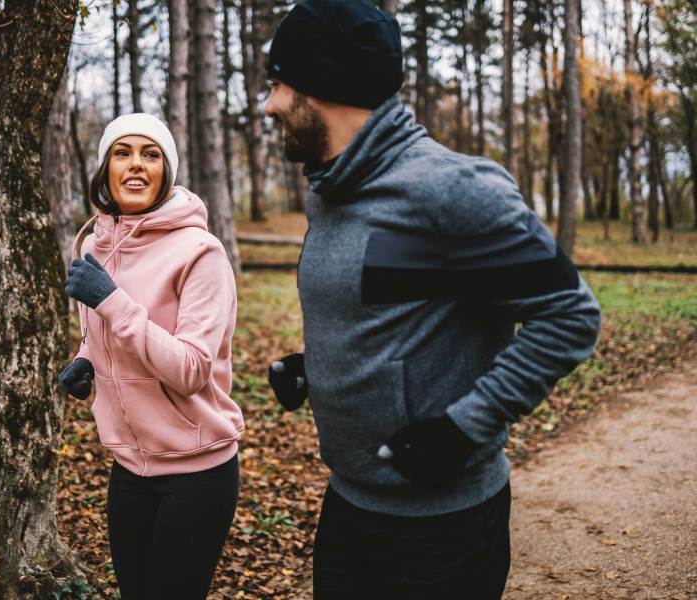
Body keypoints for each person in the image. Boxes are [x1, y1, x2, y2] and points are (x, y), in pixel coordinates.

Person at [264, 2, 601, 598]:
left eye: (279, 85)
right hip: (348, 508)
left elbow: (569, 315)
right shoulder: (332, 193)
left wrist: (462, 428)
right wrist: (318, 370)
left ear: (322, 87)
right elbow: (394, 308)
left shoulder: (453, 189)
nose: (268, 105)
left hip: (445, 533)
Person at [57, 113, 244, 600]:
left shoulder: (201, 253)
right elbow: (104, 333)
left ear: (166, 172)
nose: (136, 165)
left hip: (196, 470)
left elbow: (191, 370)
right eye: (122, 152)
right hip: (130, 467)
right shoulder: (98, 242)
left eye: (150, 154)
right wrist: (85, 360)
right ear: (105, 169)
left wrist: (111, 300)